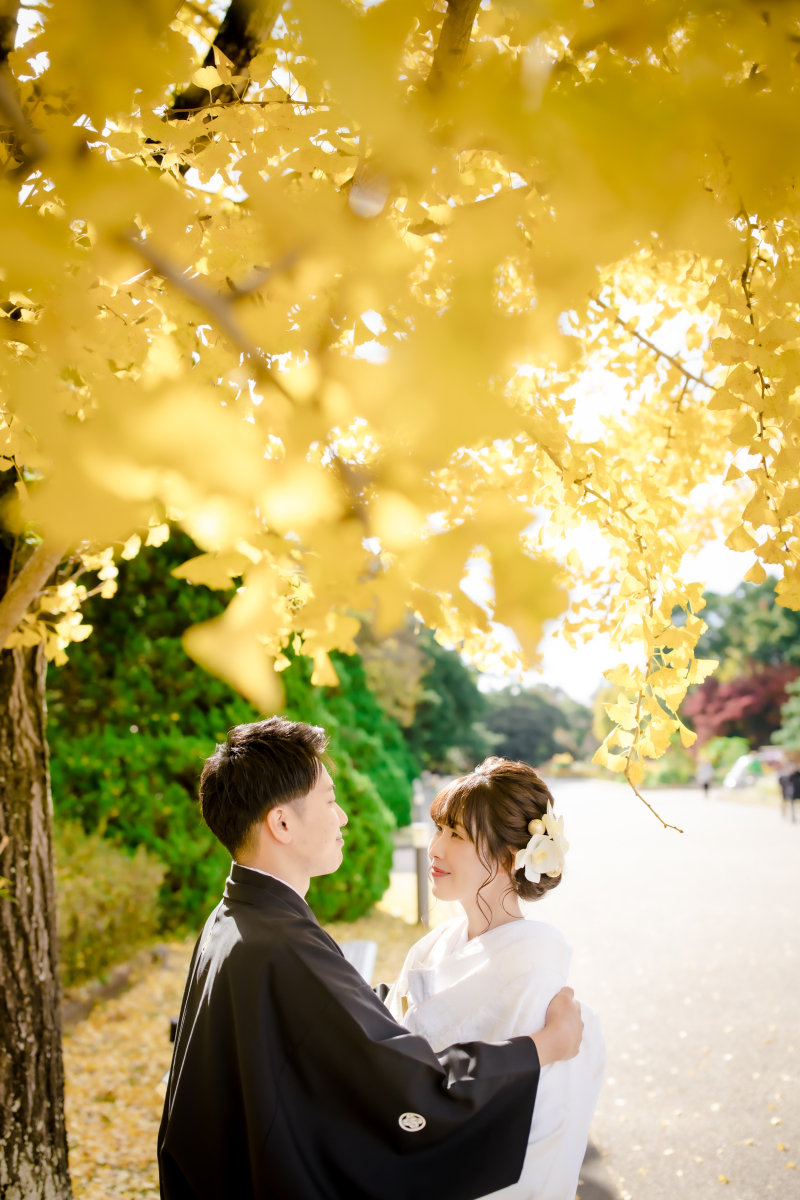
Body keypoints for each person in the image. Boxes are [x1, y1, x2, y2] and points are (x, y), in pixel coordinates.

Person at [158, 718, 584, 1200]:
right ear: (281, 823)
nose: (342, 817)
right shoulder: (280, 946)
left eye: (456, 834)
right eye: (330, 800)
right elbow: (408, 1091)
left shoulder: (236, 918)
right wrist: (545, 1046)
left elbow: (324, 1029)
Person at [386, 758, 605, 1200]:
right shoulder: (431, 947)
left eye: (457, 835)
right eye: (438, 830)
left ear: (509, 858)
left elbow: (541, 1133)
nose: (434, 849)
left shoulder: (537, 979)